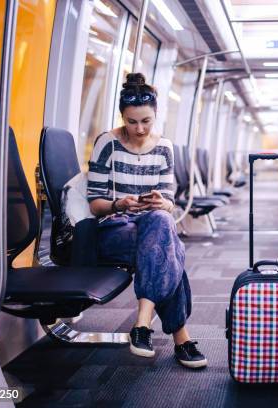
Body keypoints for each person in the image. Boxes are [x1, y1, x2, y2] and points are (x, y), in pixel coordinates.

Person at [86, 72, 207, 369]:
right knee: (169, 249)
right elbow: (95, 204)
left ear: (156, 116)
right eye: (132, 122)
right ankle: (181, 338)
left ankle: (142, 324)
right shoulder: (107, 143)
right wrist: (119, 203)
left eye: (146, 121)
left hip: (150, 226)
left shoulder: (164, 147)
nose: (139, 129)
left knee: (161, 227)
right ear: (122, 118)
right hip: (113, 228)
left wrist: (162, 202)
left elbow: (167, 201)